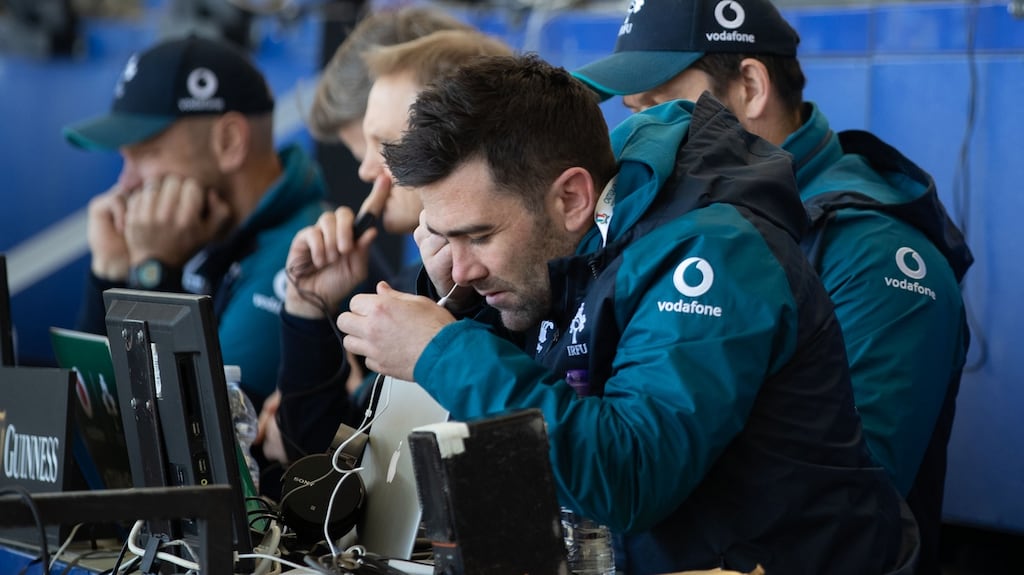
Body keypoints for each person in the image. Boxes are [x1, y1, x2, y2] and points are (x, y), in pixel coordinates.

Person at [337, 54, 918, 574]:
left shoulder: (714, 253)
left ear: (571, 198)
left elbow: (630, 479)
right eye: (441, 238)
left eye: (479, 235)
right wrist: (470, 314)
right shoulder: (570, 252)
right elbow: (546, 410)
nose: (459, 268)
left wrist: (445, 350)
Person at [570, 1, 972, 572]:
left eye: (659, 106)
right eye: (632, 112)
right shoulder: (673, 219)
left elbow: (847, 496)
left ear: (751, 87)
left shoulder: (875, 253)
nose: (638, 135)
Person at [259, 29, 513, 466]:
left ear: (456, 140)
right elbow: (326, 472)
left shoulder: (513, 286)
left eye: (383, 144)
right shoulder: (423, 283)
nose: (364, 170)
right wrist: (306, 307)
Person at [63, 35, 327, 411]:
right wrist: (109, 273)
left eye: (147, 154)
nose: (126, 183)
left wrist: (154, 274)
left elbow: (195, 433)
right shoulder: (200, 231)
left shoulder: (303, 251)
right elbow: (85, 414)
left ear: (230, 142)